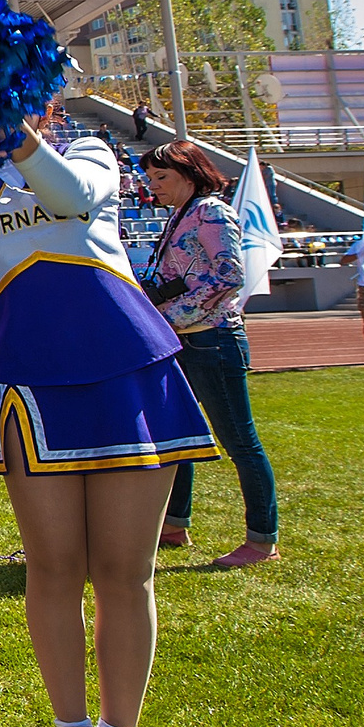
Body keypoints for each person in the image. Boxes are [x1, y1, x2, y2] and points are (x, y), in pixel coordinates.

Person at [0, 112, 217, 727]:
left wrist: (11, 128)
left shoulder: (90, 150)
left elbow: (71, 197)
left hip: (127, 367)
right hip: (32, 379)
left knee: (126, 573)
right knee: (55, 567)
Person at [142, 140, 283, 568]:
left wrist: (168, 317)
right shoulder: (181, 214)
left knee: (240, 442)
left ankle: (262, 541)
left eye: (161, 177)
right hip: (186, 340)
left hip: (213, 339)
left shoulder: (212, 212)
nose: (152, 186)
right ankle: (173, 524)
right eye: (149, 178)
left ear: (190, 174)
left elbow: (228, 276)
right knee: (178, 435)